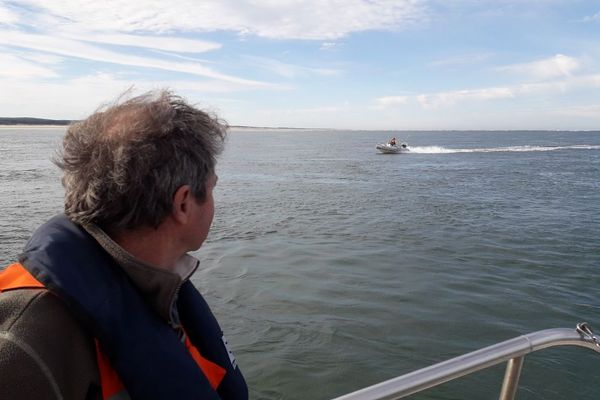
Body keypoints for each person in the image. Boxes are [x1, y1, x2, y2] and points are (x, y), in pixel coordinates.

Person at [0, 90, 248, 399]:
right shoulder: (21, 343)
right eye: (211, 189)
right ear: (183, 203)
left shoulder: (155, 284)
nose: (214, 203)